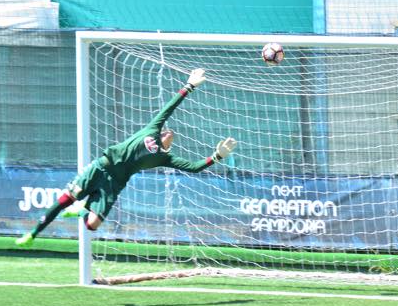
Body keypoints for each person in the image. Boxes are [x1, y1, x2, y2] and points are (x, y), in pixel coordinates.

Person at [16, 68, 236, 247]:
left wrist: (217, 156)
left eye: (171, 134)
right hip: (102, 166)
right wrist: (189, 86)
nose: (169, 132)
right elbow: (169, 108)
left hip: (116, 182)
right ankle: (32, 235)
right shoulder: (152, 130)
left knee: (92, 225)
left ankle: (81, 210)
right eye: (166, 131)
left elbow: (195, 167)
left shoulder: (164, 159)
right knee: (65, 200)